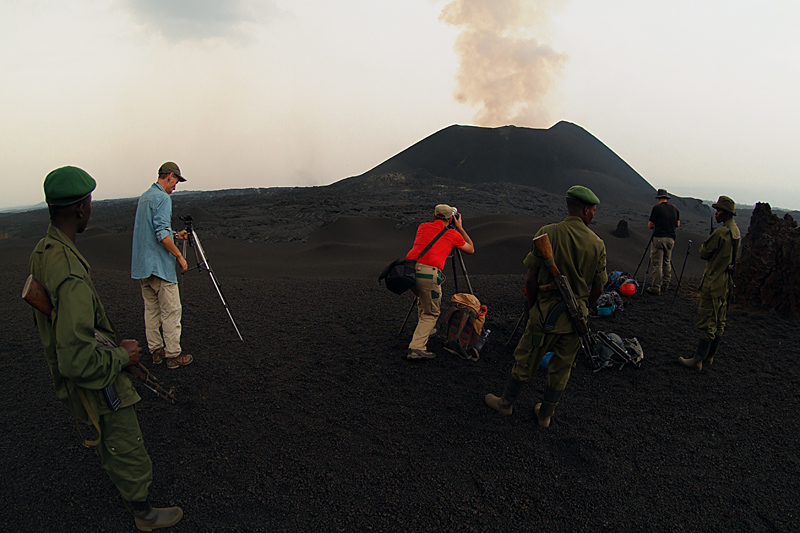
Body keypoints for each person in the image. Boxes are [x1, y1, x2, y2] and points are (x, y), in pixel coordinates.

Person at [28, 166, 183, 531]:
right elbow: (76, 357)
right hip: (97, 374)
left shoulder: (45, 249)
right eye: (89, 202)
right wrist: (121, 356)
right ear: (81, 209)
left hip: (100, 343)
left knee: (110, 437)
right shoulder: (69, 272)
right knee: (124, 437)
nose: (91, 208)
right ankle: (144, 513)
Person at [485, 186, 607, 427]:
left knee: (526, 359)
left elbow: (530, 280)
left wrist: (533, 308)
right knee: (562, 368)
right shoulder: (597, 244)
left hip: (544, 315)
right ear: (584, 210)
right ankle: (545, 415)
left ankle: (506, 404)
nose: (593, 214)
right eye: (592, 210)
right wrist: (583, 307)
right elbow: (599, 288)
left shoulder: (547, 233)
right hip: (575, 321)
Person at [131, 162, 193, 369]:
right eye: (176, 181)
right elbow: (161, 235)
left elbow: (153, 231)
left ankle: (156, 350)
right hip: (160, 268)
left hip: (143, 267)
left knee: (151, 311)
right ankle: (173, 354)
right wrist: (179, 257)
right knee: (171, 311)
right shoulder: (163, 198)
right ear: (170, 176)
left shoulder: (145, 197)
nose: (175, 186)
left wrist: (175, 235)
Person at [405, 204, 475, 360]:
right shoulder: (452, 234)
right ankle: (416, 348)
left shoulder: (422, 227)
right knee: (431, 313)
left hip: (409, 272)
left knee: (423, 299)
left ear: (434, 216)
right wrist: (460, 228)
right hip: (428, 275)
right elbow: (470, 249)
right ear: (451, 219)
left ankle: (425, 331)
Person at [679, 195, 740, 371]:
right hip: (726, 283)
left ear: (727, 213)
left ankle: (697, 360)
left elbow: (704, 253)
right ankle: (710, 356)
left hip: (714, 282)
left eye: (719, 210)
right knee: (720, 320)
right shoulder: (735, 231)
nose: (716, 213)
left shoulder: (721, 233)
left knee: (707, 321)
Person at [646, 188, 680, 295]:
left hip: (659, 238)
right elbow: (678, 224)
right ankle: (666, 284)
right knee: (667, 261)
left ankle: (656, 287)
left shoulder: (657, 208)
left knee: (657, 263)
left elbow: (650, 225)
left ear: (659, 198)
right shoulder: (674, 208)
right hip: (671, 239)